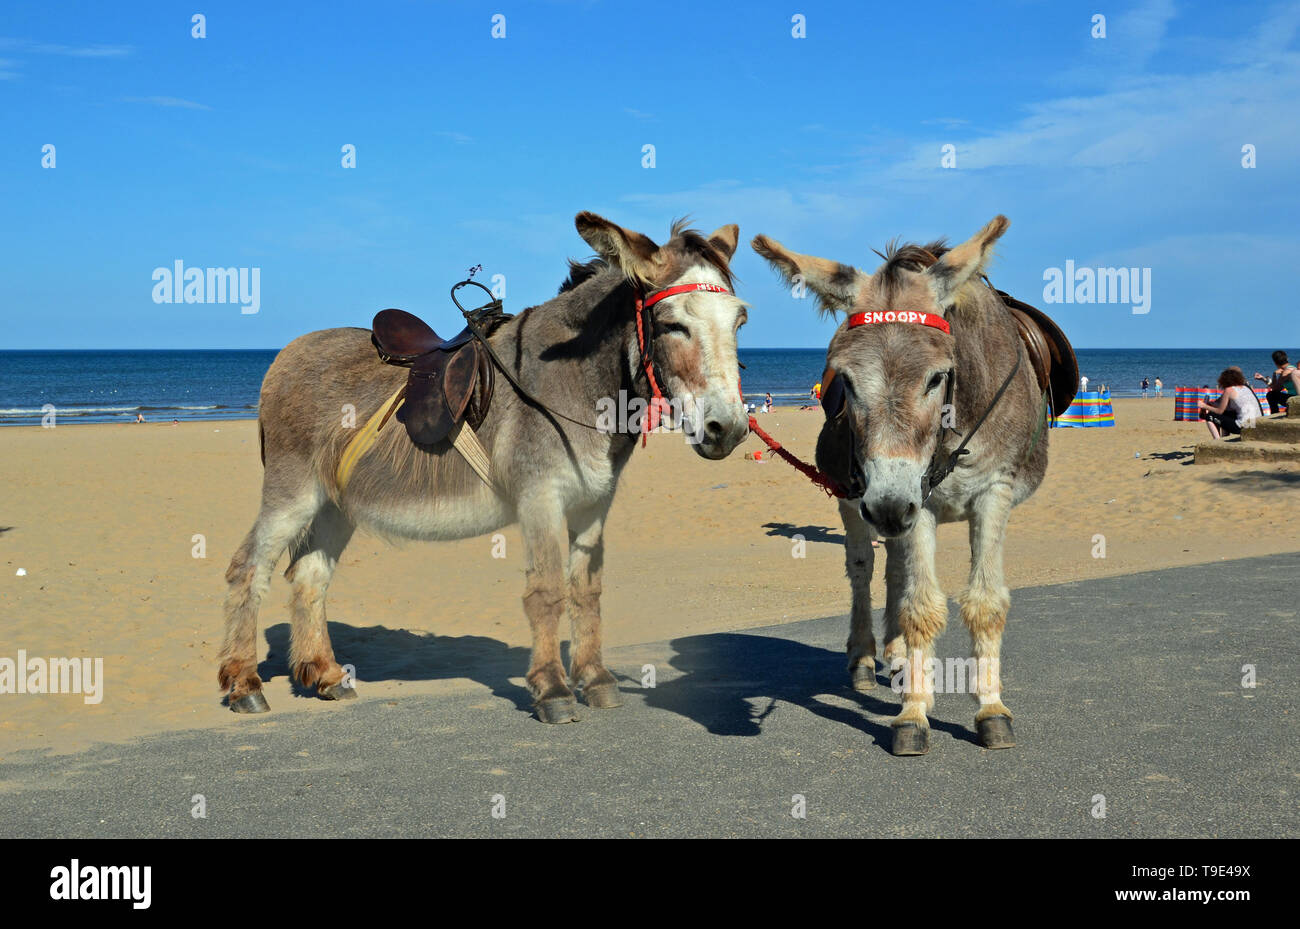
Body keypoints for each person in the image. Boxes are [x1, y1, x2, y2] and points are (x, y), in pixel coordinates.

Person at [1198, 368, 1260, 439]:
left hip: (1244, 427)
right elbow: (1229, 408)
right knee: (1225, 415)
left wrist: (1204, 406)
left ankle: (1217, 442)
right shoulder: (1245, 387)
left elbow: (1219, 411)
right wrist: (1212, 404)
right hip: (1256, 424)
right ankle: (1224, 438)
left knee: (1209, 416)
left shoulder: (1229, 390)